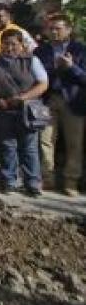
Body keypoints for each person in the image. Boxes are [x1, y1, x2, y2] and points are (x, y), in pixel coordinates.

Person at [0, 29, 48, 196]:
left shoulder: (32, 60)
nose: (9, 48)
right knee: (8, 146)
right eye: (6, 44)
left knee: (29, 147)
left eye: (13, 44)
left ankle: (33, 183)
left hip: (28, 110)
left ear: (21, 45)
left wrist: (23, 97)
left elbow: (43, 84)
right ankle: (10, 181)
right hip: (4, 110)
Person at [35, 15, 86, 195]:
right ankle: (47, 178)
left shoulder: (80, 50)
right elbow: (37, 75)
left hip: (73, 101)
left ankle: (71, 182)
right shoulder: (41, 51)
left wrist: (72, 67)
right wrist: (55, 69)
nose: (54, 32)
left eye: (58, 28)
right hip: (48, 100)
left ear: (69, 29)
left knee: (75, 143)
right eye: (51, 28)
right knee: (45, 140)